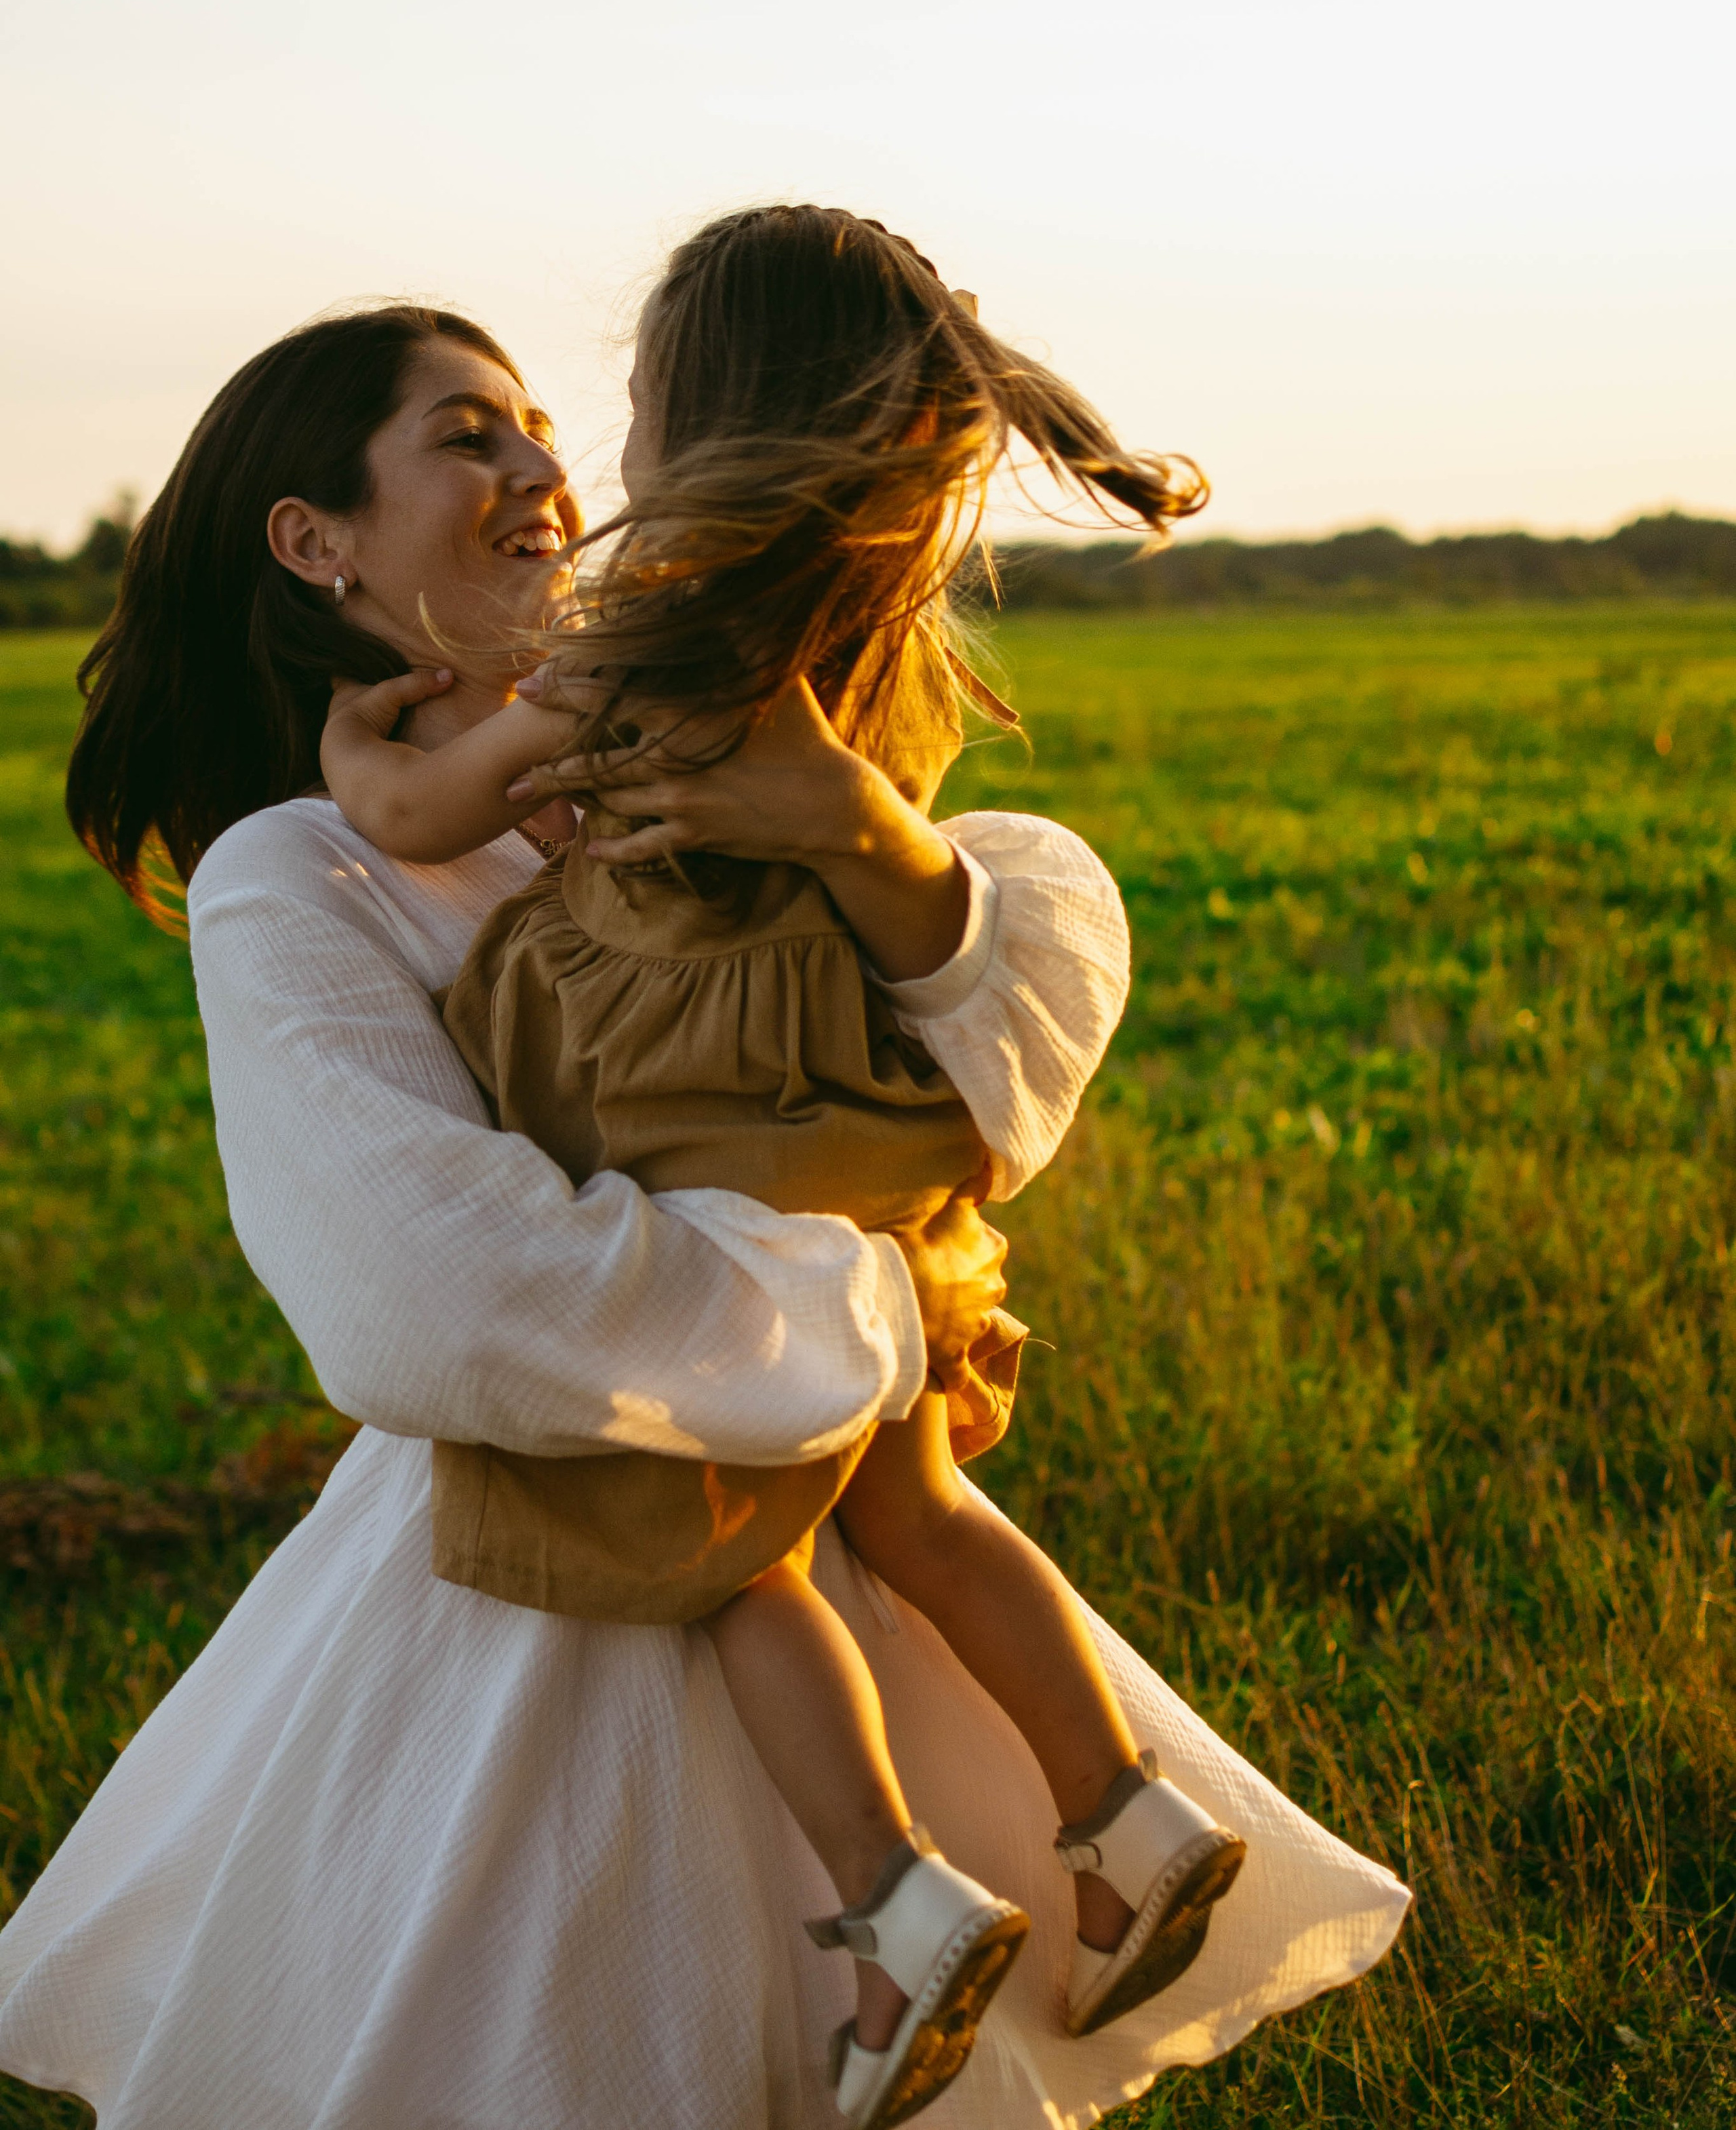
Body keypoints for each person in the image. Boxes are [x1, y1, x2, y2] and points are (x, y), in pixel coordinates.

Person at [0, 297, 1409, 2130]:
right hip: (542, 1578)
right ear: (313, 540)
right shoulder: (306, 867)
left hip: (820, 1550)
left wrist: (867, 833)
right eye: (465, 435)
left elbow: (985, 1060)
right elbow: (431, 1296)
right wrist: (869, 1303)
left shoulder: (652, 772)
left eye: (539, 426)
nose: (539, 468)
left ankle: (1048, 1846)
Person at [318, 208, 1244, 2129]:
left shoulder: (653, 623)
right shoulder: (868, 623)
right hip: (861, 1125)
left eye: (640, 395)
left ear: (708, 413)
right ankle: (1128, 1816)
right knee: (909, 1501)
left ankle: (898, 1902)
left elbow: (428, 804)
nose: (609, 448)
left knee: (720, 1551)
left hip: (720, 1131)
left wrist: (363, 767)